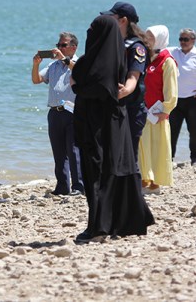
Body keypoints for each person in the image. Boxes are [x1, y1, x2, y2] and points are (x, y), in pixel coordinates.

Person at [71, 15, 154, 243]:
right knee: (113, 173)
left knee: (96, 175)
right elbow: (112, 88)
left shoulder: (92, 63)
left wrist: (77, 84)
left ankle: (98, 227)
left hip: (95, 130)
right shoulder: (118, 60)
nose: (90, 33)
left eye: (93, 29)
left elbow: (87, 85)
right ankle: (116, 223)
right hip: (116, 125)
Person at [31, 32, 84, 196]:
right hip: (55, 112)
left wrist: (64, 59)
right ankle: (62, 187)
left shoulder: (79, 62)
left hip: (73, 112)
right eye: (58, 45)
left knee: (73, 150)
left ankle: (78, 186)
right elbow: (36, 80)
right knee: (59, 152)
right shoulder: (53, 66)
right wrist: (35, 64)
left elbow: (83, 73)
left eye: (63, 45)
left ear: (73, 47)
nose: (59, 48)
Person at [101, 2, 150, 163]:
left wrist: (122, 92)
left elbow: (133, 79)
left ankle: (131, 188)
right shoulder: (114, 43)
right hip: (114, 105)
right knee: (111, 154)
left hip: (131, 108)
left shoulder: (136, 47)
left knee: (128, 158)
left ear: (123, 20)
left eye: (112, 17)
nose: (108, 21)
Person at [138, 26, 178, 194]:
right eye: (145, 36)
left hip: (157, 113)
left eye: (151, 37)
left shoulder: (167, 61)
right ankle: (143, 180)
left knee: (156, 148)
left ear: (160, 39)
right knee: (141, 146)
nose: (147, 40)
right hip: (141, 110)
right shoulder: (144, 58)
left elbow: (171, 89)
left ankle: (154, 183)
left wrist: (166, 109)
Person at [167, 28, 196, 166]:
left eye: (186, 39)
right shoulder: (173, 52)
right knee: (171, 131)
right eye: (181, 39)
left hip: (192, 100)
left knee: (194, 132)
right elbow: (155, 50)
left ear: (193, 40)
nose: (183, 42)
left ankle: (194, 159)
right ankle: (169, 159)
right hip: (175, 99)